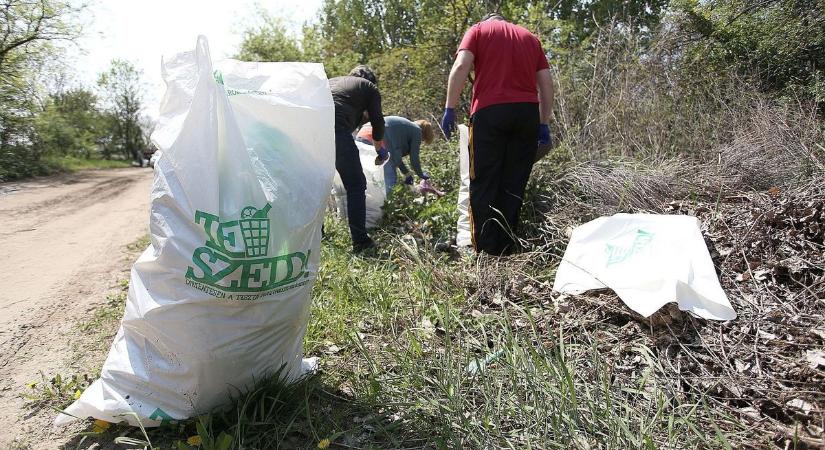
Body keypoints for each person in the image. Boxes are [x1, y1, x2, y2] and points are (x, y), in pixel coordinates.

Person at [441, 12, 554, 255]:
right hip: (527, 113)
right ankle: (506, 247)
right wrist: (543, 122)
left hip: (489, 111)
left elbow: (461, 65)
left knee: (483, 180)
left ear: (489, 19)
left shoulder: (478, 30)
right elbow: (546, 82)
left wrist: (449, 108)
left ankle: (485, 251)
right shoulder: (530, 38)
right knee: (514, 181)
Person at [329, 65, 388, 253]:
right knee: (355, 185)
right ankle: (361, 241)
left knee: (319, 185)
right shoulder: (369, 87)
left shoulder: (334, 83)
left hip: (310, 132)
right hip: (335, 130)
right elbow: (377, 120)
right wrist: (380, 149)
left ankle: (317, 234)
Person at [356, 116, 437, 195]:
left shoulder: (403, 128)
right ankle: (387, 206)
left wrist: (406, 174)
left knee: (367, 174)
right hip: (376, 138)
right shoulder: (417, 131)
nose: (420, 142)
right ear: (424, 134)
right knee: (390, 180)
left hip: (362, 134)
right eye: (423, 140)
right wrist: (421, 175)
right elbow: (414, 158)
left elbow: (395, 156)